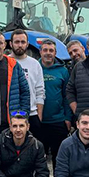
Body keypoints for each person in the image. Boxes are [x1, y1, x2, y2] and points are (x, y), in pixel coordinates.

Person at [37, 39, 72, 169]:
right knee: (38, 159)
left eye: (51, 50)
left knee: (59, 158)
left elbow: (66, 96)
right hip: (39, 121)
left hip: (58, 121)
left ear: (55, 52)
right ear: (40, 52)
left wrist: (68, 118)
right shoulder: (35, 67)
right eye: (45, 50)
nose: (48, 53)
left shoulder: (62, 71)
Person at [9, 29, 45, 133]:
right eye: (17, 42)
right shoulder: (5, 62)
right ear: (11, 44)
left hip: (31, 114)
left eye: (23, 42)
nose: (20, 45)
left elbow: (40, 91)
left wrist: (39, 116)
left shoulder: (35, 64)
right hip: (10, 114)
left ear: (27, 44)